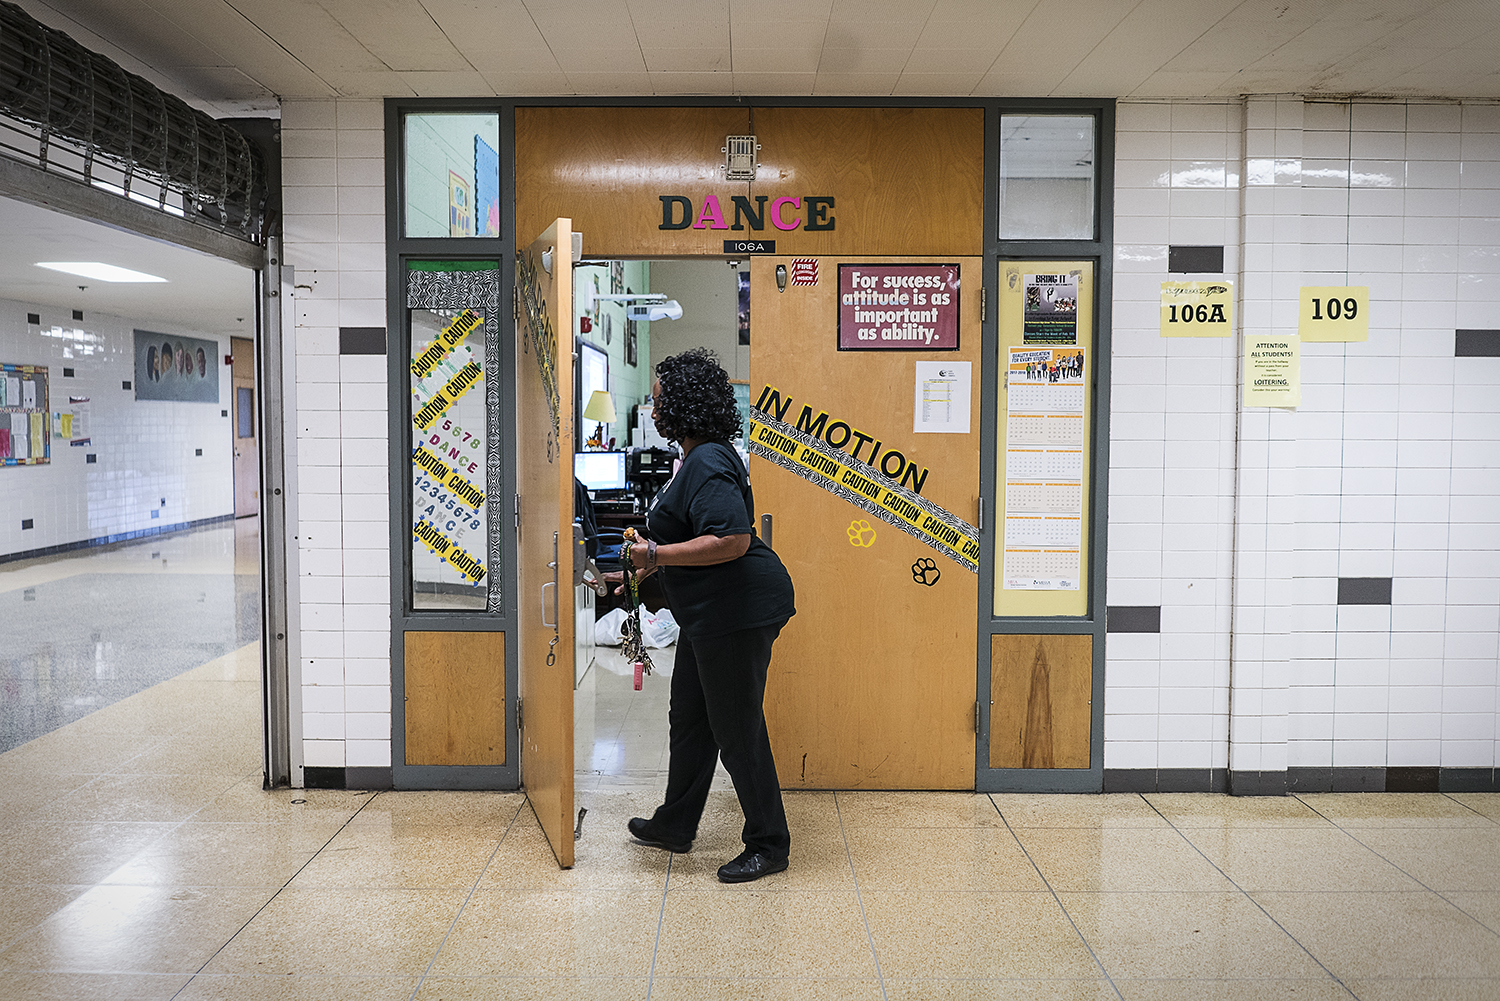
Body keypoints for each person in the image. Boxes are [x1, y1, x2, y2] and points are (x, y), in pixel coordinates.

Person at [609, 347, 796, 883]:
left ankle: (769, 843)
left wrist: (655, 556)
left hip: (737, 610)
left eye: (659, 397)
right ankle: (675, 823)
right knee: (690, 719)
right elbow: (690, 538)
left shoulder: (709, 458)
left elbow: (732, 540)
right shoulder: (698, 457)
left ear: (684, 403)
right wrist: (641, 573)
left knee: (737, 729)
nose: (653, 405)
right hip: (707, 611)